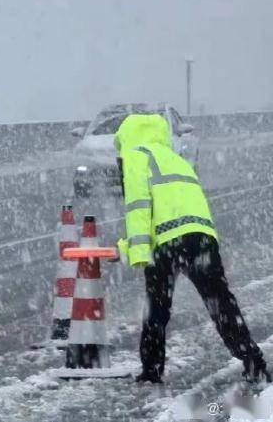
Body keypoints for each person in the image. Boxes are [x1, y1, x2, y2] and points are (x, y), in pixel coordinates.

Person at [114, 113, 271, 384]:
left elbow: (139, 208)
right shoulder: (176, 160)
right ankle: (253, 361)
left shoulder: (136, 156)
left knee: (157, 308)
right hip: (201, 237)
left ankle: (151, 371)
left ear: (126, 138)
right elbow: (182, 204)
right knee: (221, 302)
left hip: (166, 241)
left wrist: (135, 251)